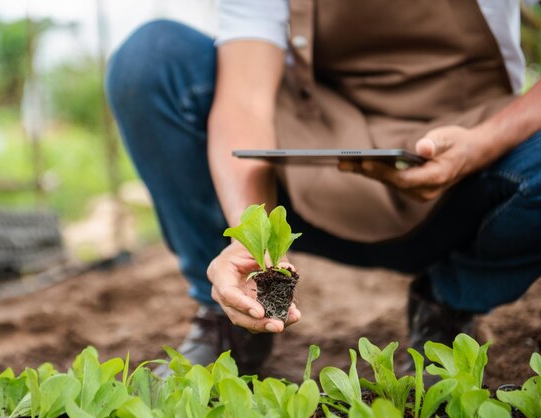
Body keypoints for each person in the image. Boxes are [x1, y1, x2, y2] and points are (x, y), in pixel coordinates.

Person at [105, 0, 541, 374]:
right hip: (315, 172)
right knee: (152, 59)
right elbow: (246, 97)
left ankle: (449, 303)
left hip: (475, 183)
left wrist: (483, 143)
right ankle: (235, 313)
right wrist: (254, 235)